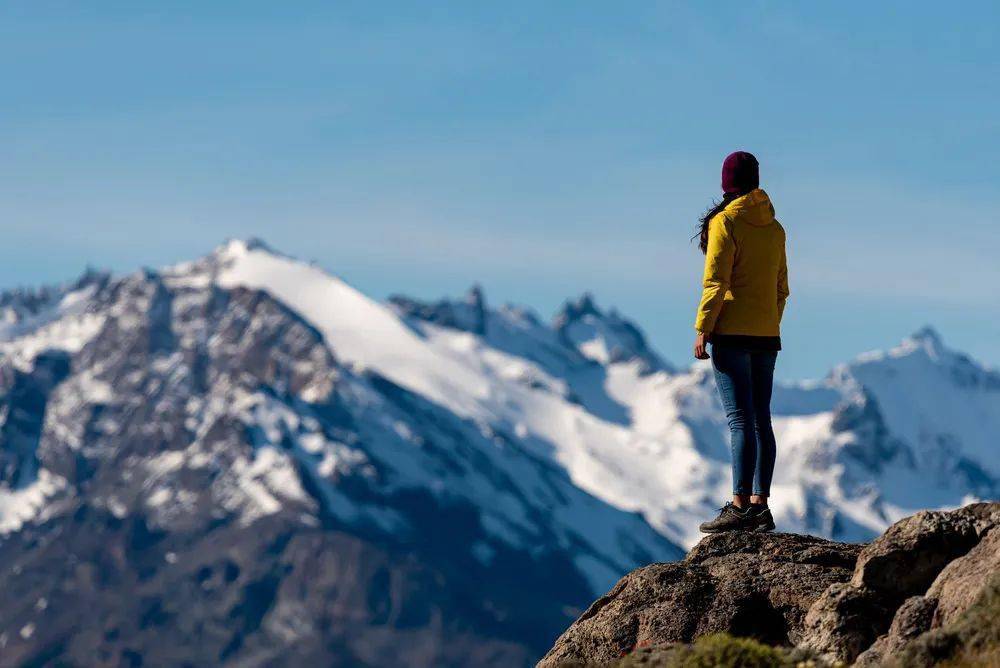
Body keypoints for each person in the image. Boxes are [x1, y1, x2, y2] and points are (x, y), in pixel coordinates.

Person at [693, 151, 788, 533]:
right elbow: (782, 288)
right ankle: (760, 504)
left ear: (725, 182)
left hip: (731, 332)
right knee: (761, 419)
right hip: (767, 334)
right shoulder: (776, 228)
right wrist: (768, 321)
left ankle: (738, 505)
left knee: (739, 421)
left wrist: (704, 327)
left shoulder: (725, 222)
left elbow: (717, 281)